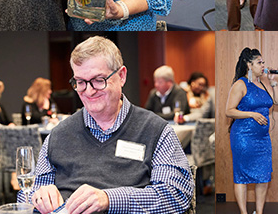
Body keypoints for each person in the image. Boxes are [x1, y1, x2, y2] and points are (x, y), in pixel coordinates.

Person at [27, 36, 192, 214]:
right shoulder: (58, 134)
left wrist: (109, 199)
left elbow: (176, 195)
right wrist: (38, 196)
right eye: (80, 82)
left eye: (98, 80)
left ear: (121, 76)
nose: (88, 91)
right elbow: (26, 195)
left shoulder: (156, 131)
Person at [226, 47, 278, 214]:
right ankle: (244, 212)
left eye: (263, 62)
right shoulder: (241, 84)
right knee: (241, 177)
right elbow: (229, 110)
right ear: (249, 65)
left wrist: (273, 81)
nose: (263, 65)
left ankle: (259, 211)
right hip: (243, 137)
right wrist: (252, 114)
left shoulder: (263, 84)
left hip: (263, 139)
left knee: (263, 176)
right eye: (259, 62)